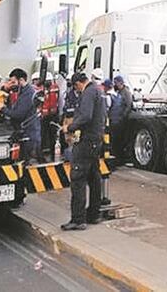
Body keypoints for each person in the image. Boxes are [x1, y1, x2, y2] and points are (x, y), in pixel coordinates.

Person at [61, 72, 105, 231]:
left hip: (87, 141)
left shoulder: (88, 92)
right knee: (94, 177)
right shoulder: (97, 90)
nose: (77, 91)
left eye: (76, 88)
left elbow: (86, 116)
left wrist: (70, 127)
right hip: (95, 140)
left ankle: (78, 219)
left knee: (78, 177)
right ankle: (94, 214)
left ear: (78, 84)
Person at [2, 68, 41, 163]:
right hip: (25, 132)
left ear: (21, 80)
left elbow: (18, 114)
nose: (11, 85)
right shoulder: (22, 92)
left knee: (26, 162)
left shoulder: (28, 94)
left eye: (13, 82)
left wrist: (2, 109)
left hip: (29, 134)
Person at [108, 74, 133, 166]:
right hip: (116, 119)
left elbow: (128, 105)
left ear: (120, 83)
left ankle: (121, 159)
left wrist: (122, 117)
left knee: (119, 140)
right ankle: (117, 157)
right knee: (115, 140)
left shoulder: (125, 92)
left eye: (116, 83)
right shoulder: (119, 92)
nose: (115, 84)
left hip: (121, 120)